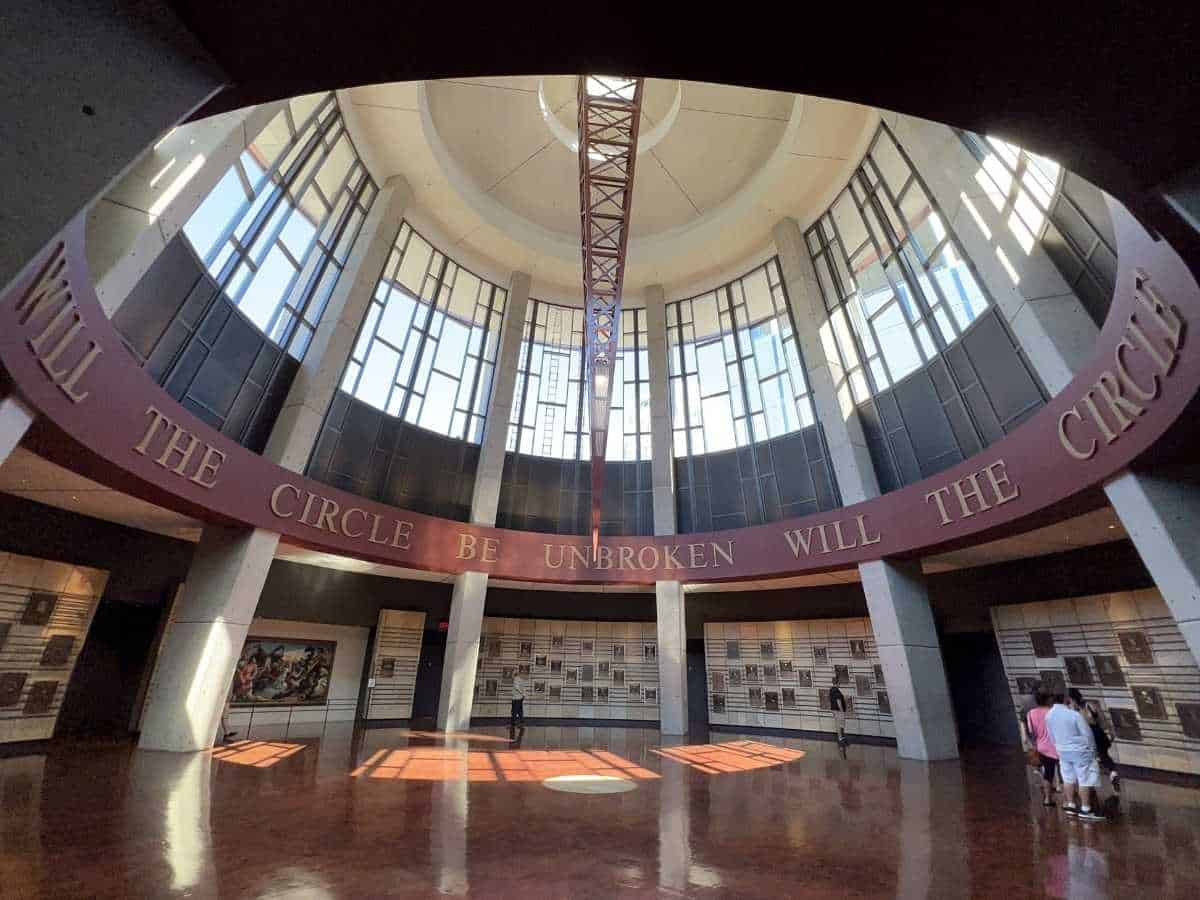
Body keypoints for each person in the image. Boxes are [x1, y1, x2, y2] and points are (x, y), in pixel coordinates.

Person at [1046, 692, 1105, 821]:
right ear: (1066, 700)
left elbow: (1051, 735)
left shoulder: (1049, 715)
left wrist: (1058, 747)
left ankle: (1071, 805)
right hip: (1080, 751)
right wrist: (1094, 751)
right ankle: (1085, 809)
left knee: (1068, 778)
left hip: (1062, 750)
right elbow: (1087, 734)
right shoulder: (1074, 715)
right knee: (1084, 779)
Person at [1069, 688, 1120, 793]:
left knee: (1087, 761)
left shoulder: (1074, 711)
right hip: (1098, 734)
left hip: (1086, 737)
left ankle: (1090, 786)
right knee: (1104, 756)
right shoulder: (1090, 705)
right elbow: (1102, 720)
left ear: (1072, 699)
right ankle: (1113, 772)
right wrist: (1109, 732)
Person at [1025, 689, 1058, 807]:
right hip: (1056, 746)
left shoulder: (1031, 713)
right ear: (1048, 699)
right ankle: (1068, 801)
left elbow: (1031, 731)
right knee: (1063, 773)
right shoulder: (1052, 711)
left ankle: (1047, 799)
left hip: (1042, 746)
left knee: (1047, 774)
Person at [829, 680, 848, 746]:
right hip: (838, 710)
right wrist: (842, 711)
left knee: (838, 724)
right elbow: (838, 702)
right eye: (839, 683)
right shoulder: (836, 691)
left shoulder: (831, 690)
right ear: (837, 683)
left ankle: (841, 738)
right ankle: (841, 739)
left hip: (834, 710)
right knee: (840, 725)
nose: (840, 684)